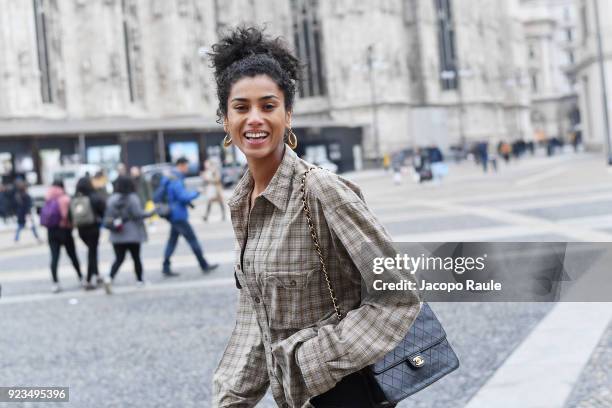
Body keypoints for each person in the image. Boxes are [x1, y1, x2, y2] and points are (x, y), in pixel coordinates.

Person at [210, 27, 420, 408]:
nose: (254, 118)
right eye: (241, 107)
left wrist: (311, 361)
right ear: (225, 119)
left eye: (268, 106)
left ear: (288, 115)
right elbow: (255, 324)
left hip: (345, 397)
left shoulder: (320, 190)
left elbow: (399, 293)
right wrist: (230, 399)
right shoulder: (243, 204)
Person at [155, 157, 218, 277]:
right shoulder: (176, 178)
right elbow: (182, 196)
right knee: (192, 240)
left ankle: (166, 266)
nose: (187, 168)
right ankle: (204, 265)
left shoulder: (169, 177)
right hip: (178, 215)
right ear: (181, 165)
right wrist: (196, 192)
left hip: (173, 214)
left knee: (172, 241)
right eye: (187, 166)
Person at [102, 175, 153, 294]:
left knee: (119, 258)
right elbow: (138, 214)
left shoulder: (112, 199)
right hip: (133, 234)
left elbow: (108, 216)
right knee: (136, 258)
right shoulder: (133, 198)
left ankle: (109, 277)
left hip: (117, 234)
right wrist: (151, 213)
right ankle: (139, 280)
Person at [41, 180, 82, 293]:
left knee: (54, 257)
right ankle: (81, 277)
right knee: (72, 255)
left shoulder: (48, 196)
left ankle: (55, 283)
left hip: (51, 232)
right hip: (64, 231)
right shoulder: (64, 198)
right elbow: (66, 215)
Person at [73, 177, 107, 290]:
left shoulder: (75, 198)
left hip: (81, 230)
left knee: (92, 251)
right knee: (92, 253)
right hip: (93, 228)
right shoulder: (94, 197)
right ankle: (89, 279)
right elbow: (103, 209)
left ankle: (96, 274)